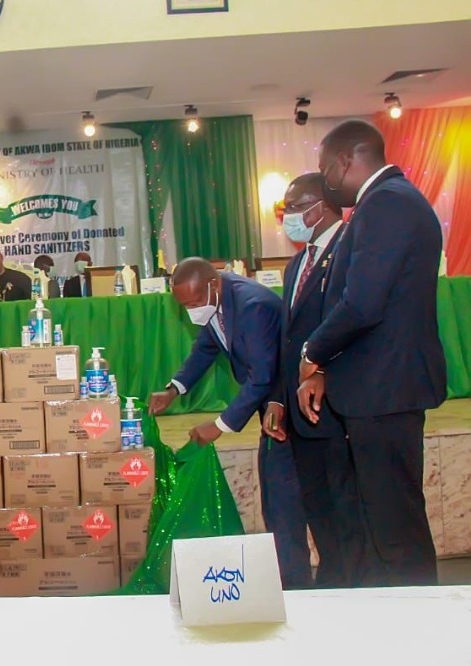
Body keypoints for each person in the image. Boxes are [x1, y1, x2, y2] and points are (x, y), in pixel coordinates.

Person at [297, 120, 446, 587]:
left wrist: (313, 351)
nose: (327, 182)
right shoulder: (391, 200)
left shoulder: (386, 204)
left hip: (386, 389)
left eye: (327, 170)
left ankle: (419, 619)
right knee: (384, 517)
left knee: (395, 527)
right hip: (380, 387)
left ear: (346, 161)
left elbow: (362, 303)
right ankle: (396, 613)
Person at [148, 258, 310, 589]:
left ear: (213, 284)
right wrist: (173, 389)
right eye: (184, 306)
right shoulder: (217, 301)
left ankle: (296, 585)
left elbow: (262, 376)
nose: (192, 311)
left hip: (291, 403)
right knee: (275, 495)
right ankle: (287, 577)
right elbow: (206, 348)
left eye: (195, 302)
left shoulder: (252, 307)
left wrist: (220, 425)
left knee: (284, 496)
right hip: (272, 401)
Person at [263, 174, 360, 588]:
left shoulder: (350, 250)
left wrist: (320, 370)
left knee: (346, 508)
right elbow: (288, 340)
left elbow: (350, 323)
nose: (287, 216)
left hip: (335, 404)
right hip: (299, 411)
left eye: (293, 207)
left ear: (319, 206)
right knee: (317, 505)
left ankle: (355, 587)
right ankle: (333, 585)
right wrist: (279, 398)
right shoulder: (296, 264)